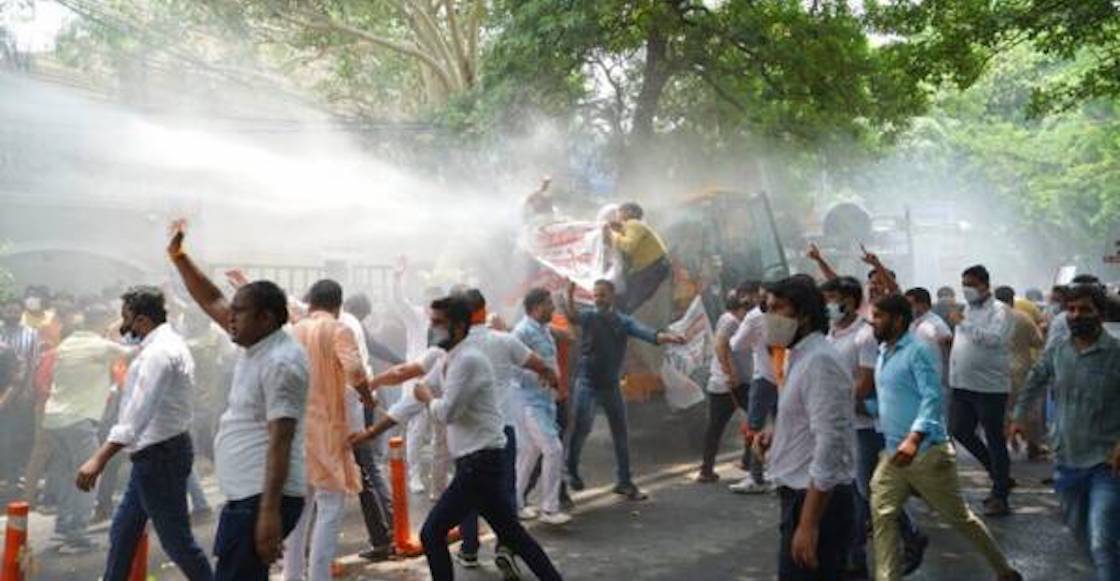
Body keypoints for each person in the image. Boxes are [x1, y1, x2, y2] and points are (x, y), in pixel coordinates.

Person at [167, 222, 310, 581]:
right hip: (248, 496)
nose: (229, 317)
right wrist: (180, 258)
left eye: (239, 311)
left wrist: (268, 513)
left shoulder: (281, 362)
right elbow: (213, 299)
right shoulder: (260, 342)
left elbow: (281, 439)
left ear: (266, 317)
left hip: (260, 499)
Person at [869, 294, 1022, 581]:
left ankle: (1004, 571)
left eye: (878, 316)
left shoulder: (918, 350)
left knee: (959, 519)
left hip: (926, 452)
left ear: (897, 319)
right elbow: (889, 397)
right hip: (893, 454)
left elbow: (932, 397)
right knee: (883, 516)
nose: (872, 322)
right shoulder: (883, 352)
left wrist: (914, 437)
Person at [411, 295, 562, 581]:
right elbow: (414, 388)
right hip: (480, 462)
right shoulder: (450, 357)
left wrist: (427, 397)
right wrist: (374, 429)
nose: (432, 328)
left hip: (478, 464)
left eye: (438, 323)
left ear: (457, 326)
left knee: (432, 533)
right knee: (513, 535)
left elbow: (447, 413)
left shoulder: (467, 361)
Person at [75, 286, 214, 581]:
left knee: (177, 542)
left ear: (143, 322)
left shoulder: (159, 355)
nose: (122, 325)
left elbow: (135, 417)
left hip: (160, 455)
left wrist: (98, 460)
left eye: (126, 318)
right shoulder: (163, 342)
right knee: (123, 529)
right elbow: (130, 349)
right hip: (154, 454)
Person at [1010, 282, 1120, 581]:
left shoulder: (1115, 353)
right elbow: (1035, 379)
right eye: (1071, 309)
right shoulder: (1058, 350)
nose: (1075, 315)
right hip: (1067, 460)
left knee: (1101, 540)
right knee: (1082, 533)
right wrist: (1018, 416)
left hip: (1106, 464)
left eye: (1084, 309)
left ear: (1100, 313)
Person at [820, 276, 926, 577]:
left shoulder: (864, 336)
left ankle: (910, 533)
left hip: (867, 424)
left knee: (868, 489)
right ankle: (855, 556)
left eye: (831, 298)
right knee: (856, 490)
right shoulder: (831, 333)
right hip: (843, 421)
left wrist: (835, 402)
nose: (827, 305)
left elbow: (865, 384)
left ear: (850, 300)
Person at [756, 275, 856, 581]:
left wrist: (809, 523)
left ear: (804, 315)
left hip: (817, 502)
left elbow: (830, 444)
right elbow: (807, 420)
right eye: (766, 308)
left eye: (778, 308)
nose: (769, 317)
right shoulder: (799, 356)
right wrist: (776, 435)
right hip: (801, 496)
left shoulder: (820, 361)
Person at [455, 288, 559, 575]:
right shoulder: (505, 341)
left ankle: (469, 550)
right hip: (504, 430)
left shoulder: (455, 347)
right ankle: (505, 546)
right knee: (506, 492)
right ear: (483, 309)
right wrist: (551, 378)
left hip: (472, 435)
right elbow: (539, 364)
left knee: (470, 494)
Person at [283, 279, 375, 581]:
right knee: (330, 504)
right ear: (338, 305)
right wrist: (366, 394)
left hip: (296, 429)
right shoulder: (338, 329)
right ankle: (319, 576)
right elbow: (355, 369)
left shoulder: (295, 331)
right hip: (328, 428)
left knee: (300, 507)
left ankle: (292, 575)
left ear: (311, 303)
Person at [564, 279, 684, 501]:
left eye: (602, 295)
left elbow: (645, 332)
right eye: (595, 295)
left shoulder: (623, 321)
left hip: (610, 385)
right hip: (587, 383)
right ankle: (570, 470)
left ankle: (624, 482)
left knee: (620, 433)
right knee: (581, 429)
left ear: (612, 296)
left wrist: (666, 337)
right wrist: (569, 294)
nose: (598, 299)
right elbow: (572, 316)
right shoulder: (589, 317)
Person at [39, 305, 131, 552]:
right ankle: (76, 535)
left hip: (54, 419)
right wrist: (114, 333)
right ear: (101, 322)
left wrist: (108, 332)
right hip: (79, 420)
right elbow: (134, 354)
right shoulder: (101, 346)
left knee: (69, 474)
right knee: (88, 475)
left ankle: (63, 527)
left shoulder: (68, 344)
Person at [948, 265, 1014, 516]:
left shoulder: (1001, 311)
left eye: (971, 284)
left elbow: (994, 339)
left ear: (985, 284)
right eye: (964, 283)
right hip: (963, 383)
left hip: (989, 387)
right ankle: (999, 475)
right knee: (960, 431)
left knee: (994, 437)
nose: (967, 289)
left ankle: (1000, 495)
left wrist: (963, 324)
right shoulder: (966, 309)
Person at [338, 299, 395, 562]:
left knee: (366, 469)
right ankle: (391, 526)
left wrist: (366, 396)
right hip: (360, 401)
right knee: (368, 467)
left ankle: (384, 536)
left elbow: (355, 368)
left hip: (354, 405)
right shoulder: (351, 322)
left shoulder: (342, 324)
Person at [511, 288, 571, 525]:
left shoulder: (544, 330)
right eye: (549, 304)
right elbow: (513, 367)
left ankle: (514, 504)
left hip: (543, 401)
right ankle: (549, 508)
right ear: (536, 307)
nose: (552, 308)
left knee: (528, 452)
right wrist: (538, 377)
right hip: (529, 402)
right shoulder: (522, 332)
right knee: (553, 449)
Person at [728, 281, 778, 494]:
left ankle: (755, 477)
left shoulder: (755, 316)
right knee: (781, 425)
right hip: (784, 377)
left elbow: (736, 344)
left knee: (754, 426)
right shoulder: (788, 314)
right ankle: (777, 475)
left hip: (764, 377)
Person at [697, 289, 752, 483]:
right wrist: (730, 373)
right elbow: (720, 345)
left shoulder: (734, 321)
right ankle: (707, 469)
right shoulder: (730, 321)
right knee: (753, 421)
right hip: (729, 384)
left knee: (719, 427)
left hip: (737, 382)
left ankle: (745, 461)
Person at [993, 286, 1045, 459]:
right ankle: (1032, 445)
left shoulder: (989, 320)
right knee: (1028, 406)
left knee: (1000, 408)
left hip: (996, 370)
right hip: (1021, 369)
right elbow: (1038, 342)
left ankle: (1003, 443)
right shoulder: (1023, 318)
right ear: (1012, 299)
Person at [0, 296, 41, 494]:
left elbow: (33, 363)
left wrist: (27, 391)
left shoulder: (31, 334)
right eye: (8, 311)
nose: (12, 314)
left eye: (16, 311)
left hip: (20, 391)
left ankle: (13, 476)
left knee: (14, 435)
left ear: (21, 313)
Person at [606, 202, 670, 313]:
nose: (617, 217)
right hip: (649, 268)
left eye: (619, 212)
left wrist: (612, 235)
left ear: (629, 212)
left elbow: (628, 246)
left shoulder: (633, 223)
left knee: (629, 303)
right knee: (626, 300)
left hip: (652, 268)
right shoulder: (631, 228)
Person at [904, 288, 952, 384]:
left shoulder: (936, 324)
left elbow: (949, 346)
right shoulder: (911, 323)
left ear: (923, 304)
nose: (906, 308)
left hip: (933, 379)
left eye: (910, 305)